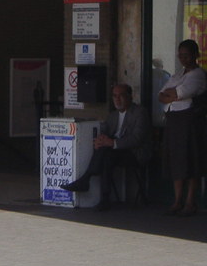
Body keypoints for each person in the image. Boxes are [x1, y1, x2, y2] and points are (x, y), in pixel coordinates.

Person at [61, 83, 151, 211]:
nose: (117, 99)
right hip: (114, 152)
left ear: (130, 97)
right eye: (114, 96)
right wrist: (100, 140)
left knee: (106, 153)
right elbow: (105, 131)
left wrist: (112, 143)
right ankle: (102, 195)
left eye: (121, 96)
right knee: (105, 153)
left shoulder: (139, 112)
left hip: (135, 153)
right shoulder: (113, 115)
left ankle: (88, 181)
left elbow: (137, 139)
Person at [158, 39, 207, 216]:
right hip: (173, 120)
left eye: (186, 55)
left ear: (195, 55)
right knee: (176, 161)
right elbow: (161, 95)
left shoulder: (198, 74)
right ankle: (177, 200)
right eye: (180, 55)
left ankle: (190, 201)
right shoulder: (178, 74)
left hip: (189, 121)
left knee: (191, 160)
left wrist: (173, 94)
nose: (183, 59)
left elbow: (181, 93)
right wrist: (172, 95)